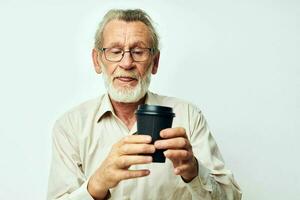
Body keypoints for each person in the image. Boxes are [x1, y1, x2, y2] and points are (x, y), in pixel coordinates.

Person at [47, 8, 242, 200]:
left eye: (138, 52)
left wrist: (194, 172)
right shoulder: (70, 126)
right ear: (97, 61)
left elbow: (232, 197)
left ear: (155, 62)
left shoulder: (188, 115)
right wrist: (97, 184)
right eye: (115, 52)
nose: (126, 63)